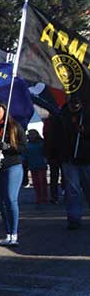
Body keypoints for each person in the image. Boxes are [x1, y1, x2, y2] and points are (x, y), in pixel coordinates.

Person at [0, 100, 26, 246]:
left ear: (4, 109)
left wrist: (8, 146)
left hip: (12, 166)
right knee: (1, 201)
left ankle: (14, 233)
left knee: (10, 198)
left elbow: (23, 146)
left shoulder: (14, 126)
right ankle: (8, 233)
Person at [50, 96, 90, 230]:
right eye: (72, 102)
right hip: (68, 158)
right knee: (72, 190)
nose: (75, 105)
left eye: (77, 103)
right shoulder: (61, 115)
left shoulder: (87, 114)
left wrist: (85, 131)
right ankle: (74, 218)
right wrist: (54, 156)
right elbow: (54, 137)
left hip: (86, 158)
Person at [23, 129, 48, 204]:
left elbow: (45, 152)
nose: (31, 136)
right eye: (30, 134)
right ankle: (38, 197)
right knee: (36, 182)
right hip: (32, 165)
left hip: (41, 165)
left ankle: (45, 196)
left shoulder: (42, 143)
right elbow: (25, 155)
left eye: (33, 134)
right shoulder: (27, 145)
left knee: (42, 181)